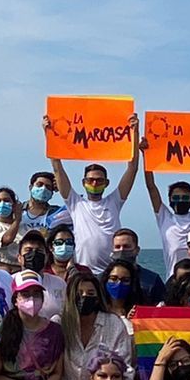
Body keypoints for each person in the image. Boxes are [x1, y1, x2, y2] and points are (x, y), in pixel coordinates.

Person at [47, 113, 141, 273]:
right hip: (84, 272)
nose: (95, 183)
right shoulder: (75, 203)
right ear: (83, 182)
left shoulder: (114, 201)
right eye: (90, 180)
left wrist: (135, 132)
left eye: (99, 180)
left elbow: (132, 168)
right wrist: (49, 134)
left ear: (107, 183)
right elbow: (57, 168)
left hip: (111, 271)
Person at [145, 172, 190, 275]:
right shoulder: (164, 217)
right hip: (173, 279)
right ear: (170, 200)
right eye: (176, 198)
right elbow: (151, 187)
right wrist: (147, 164)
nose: (181, 200)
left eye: (185, 198)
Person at [16, 230, 68, 320]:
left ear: (46, 257)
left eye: (39, 250)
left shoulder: (59, 283)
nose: (34, 254)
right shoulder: (10, 281)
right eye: (28, 250)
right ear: (19, 258)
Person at [110, 228, 165, 305]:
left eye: (126, 246)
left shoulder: (152, 280)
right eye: (117, 247)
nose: (121, 250)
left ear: (137, 250)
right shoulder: (103, 279)